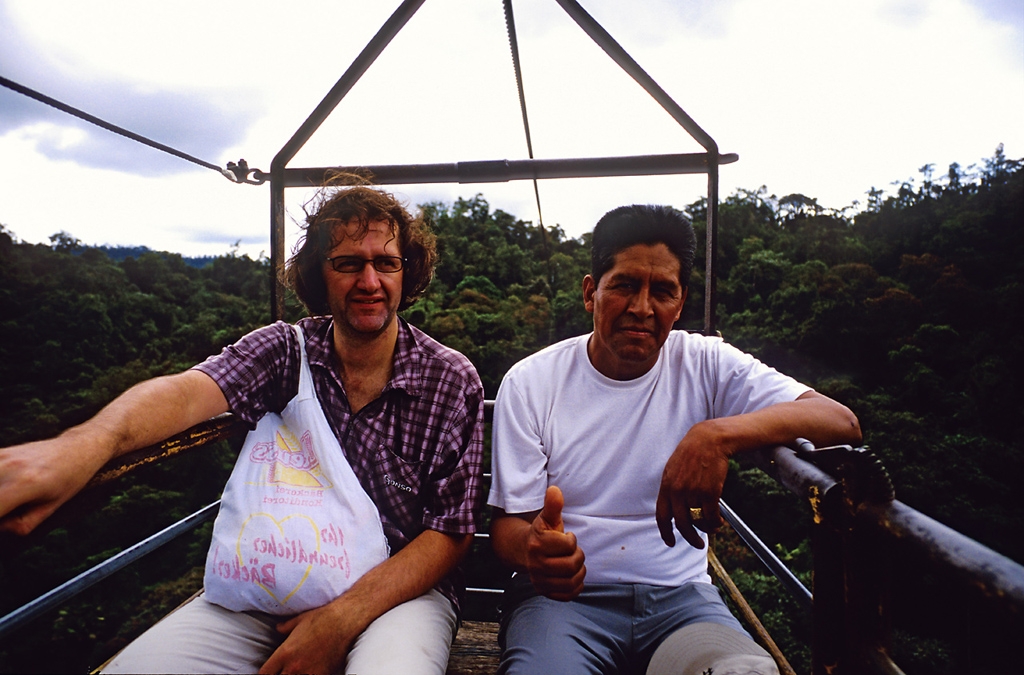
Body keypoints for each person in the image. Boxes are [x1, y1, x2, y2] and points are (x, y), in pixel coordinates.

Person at [0, 183, 486, 675]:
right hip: (272, 579)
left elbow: (450, 533)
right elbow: (187, 393)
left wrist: (339, 620)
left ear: (406, 271)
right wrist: (84, 446)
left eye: (386, 263)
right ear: (319, 274)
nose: (369, 281)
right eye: (347, 263)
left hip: (399, 596)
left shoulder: (447, 379)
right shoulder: (286, 352)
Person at [487, 204, 862, 675]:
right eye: (624, 285)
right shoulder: (532, 382)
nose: (642, 308)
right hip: (562, 602)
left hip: (681, 601)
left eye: (662, 291)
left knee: (743, 672)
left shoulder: (704, 363)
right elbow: (508, 526)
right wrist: (534, 550)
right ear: (590, 292)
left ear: (680, 304)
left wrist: (716, 435)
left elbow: (839, 421)